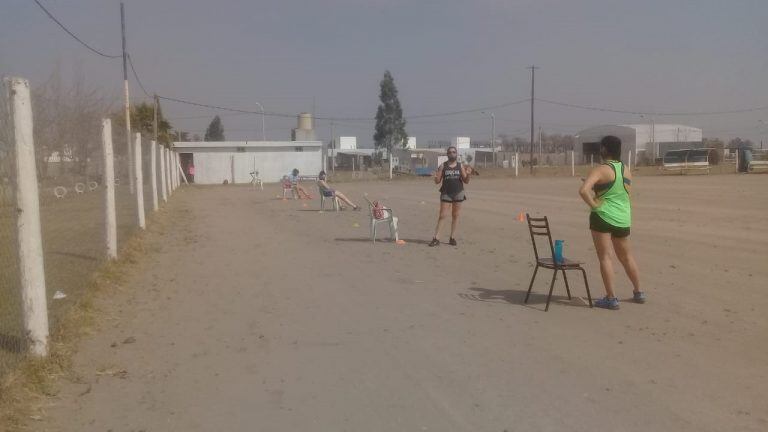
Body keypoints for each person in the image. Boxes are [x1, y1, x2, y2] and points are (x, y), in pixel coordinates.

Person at [579, 135, 645, 310]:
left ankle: (611, 297)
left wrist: (594, 206)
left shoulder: (600, 169)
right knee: (626, 257)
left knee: (605, 257)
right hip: (623, 217)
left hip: (603, 217)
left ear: (603, 149)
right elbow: (620, 193)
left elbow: (583, 191)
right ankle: (638, 292)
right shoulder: (626, 169)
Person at [429, 146, 472, 247]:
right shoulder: (443, 166)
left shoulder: (460, 166)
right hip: (446, 193)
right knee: (442, 215)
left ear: (456, 154)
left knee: (455, 215)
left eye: (454, 152)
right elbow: (437, 181)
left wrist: (469, 174)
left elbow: (466, 181)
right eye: (450, 152)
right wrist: (435, 177)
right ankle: (436, 238)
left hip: (458, 193)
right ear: (447, 154)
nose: (452, 154)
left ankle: (452, 237)